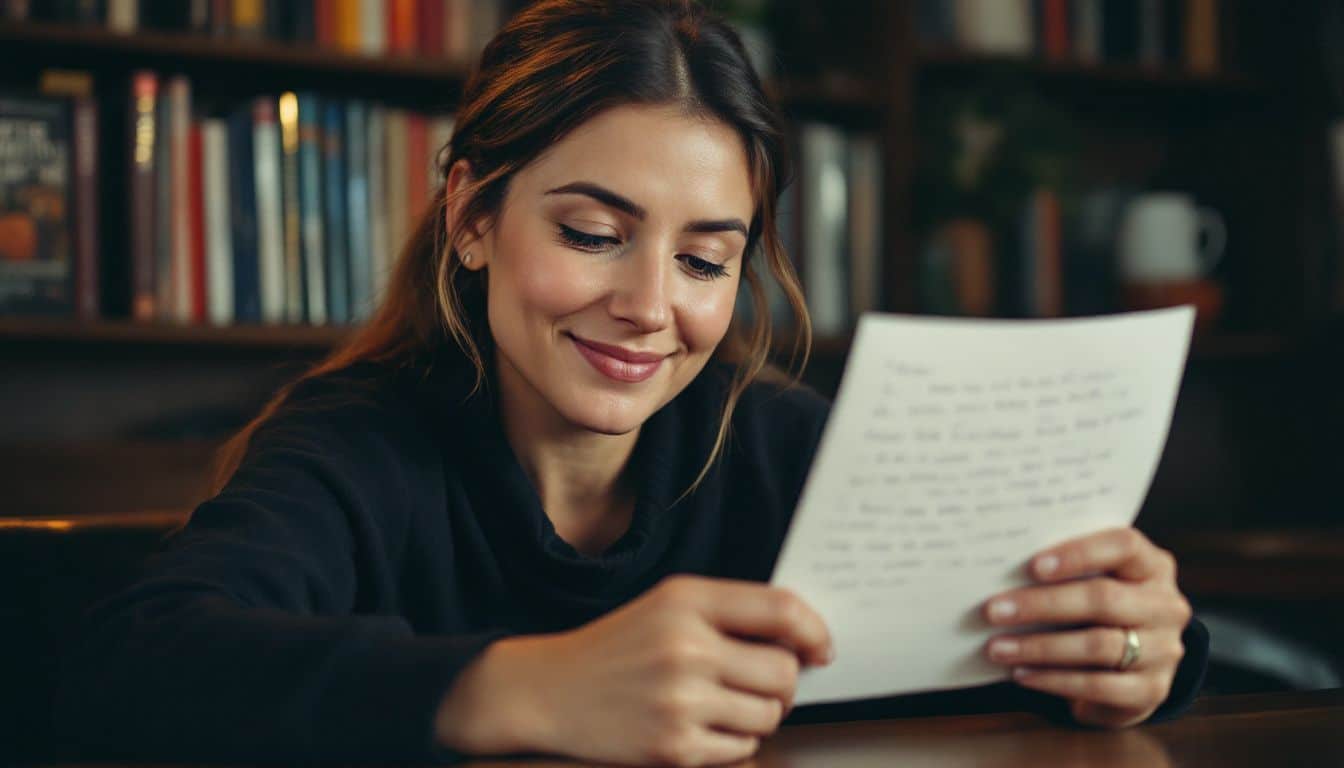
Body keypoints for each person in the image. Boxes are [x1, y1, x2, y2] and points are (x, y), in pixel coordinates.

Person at [54, 0, 1208, 765]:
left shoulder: (786, 445)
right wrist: (530, 689)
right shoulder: (360, 444)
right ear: (470, 216)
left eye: (706, 258)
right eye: (596, 233)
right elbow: (132, 666)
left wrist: (1140, 654)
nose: (653, 304)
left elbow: (984, 677)